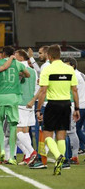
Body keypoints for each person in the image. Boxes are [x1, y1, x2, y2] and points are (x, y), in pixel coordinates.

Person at [36, 44, 80, 175]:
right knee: (61, 135)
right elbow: (75, 90)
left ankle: (58, 157)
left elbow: (43, 91)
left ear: (49, 56)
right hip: (66, 104)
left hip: (53, 104)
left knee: (47, 134)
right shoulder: (69, 69)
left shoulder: (47, 70)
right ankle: (61, 161)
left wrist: (38, 109)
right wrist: (76, 108)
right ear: (60, 55)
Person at [0, 46, 30, 165]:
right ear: (13, 54)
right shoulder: (18, 64)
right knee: (13, 126)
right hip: (13, 97)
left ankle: (2, 150)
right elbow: (27, 74)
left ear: (3, 54)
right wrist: (20, 74)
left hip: (0, 97)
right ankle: (12, 158)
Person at [14, 49, 38, 165]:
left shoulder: (18, 70)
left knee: (17, 131)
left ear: (21, 58)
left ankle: (32, 152)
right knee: (25, 131)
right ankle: (28, 156)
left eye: (15, 56)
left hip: (20, 103)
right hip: (30, 103)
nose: (13, 57)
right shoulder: (33, 71)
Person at [63, 57, 84, 164]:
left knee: (71, 131)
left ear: (72, 65)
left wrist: (77, 107)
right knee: (75, 130)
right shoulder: (81, 74)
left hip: (76, 105)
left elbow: (74, 91)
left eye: (66, 64)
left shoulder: (73, 75)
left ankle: (74, 156)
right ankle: (72, 155)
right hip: (81, 105)